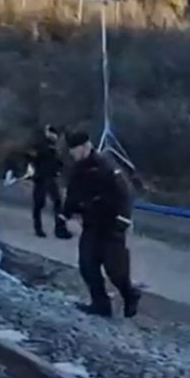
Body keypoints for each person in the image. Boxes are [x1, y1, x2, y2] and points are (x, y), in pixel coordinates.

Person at [61, 130, 141, 318]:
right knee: (87, 265)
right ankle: (101, 305)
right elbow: (72, 195)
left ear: (86, 147)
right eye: (71, 150)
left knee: (115, 270)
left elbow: (125, 194)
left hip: (111, 224)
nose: (73, 154)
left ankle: (131, 295)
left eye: (75, 149)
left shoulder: (106, 166)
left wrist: (123, 221)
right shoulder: (78, 170)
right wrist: (64, 218)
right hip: (91, 224)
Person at [26, 126, 72, 239]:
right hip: (42, 178)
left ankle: (57, 229)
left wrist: (58, 169)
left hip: (49, 177)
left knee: (55, 203)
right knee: (41, 204)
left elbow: (57, 161)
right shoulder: (42, 145)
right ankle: (41, 228)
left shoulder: (53, 147)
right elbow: (32, 157)